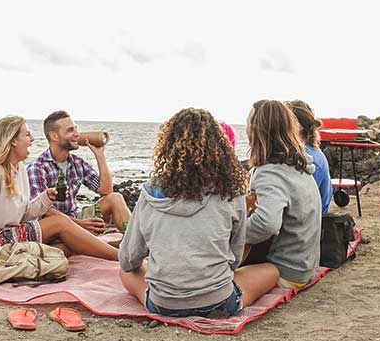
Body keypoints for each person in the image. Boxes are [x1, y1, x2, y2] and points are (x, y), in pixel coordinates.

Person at [119, 108, 279, 317]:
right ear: (219, 147)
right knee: (272, 271)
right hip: (219, 301)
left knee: (125, 272)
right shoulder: (232, 191)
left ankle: (166, 300)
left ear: (168, 146)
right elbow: (234, 258)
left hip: (163, 303)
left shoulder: (149, 192)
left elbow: (128, 259)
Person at [0, 116, 119, 271]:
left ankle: (114, 248)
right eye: (27, 135)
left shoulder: (19, 169)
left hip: (9, 235)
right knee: (59, 222)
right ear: (13, 141)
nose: (33, 139)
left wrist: (45, 198)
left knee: (64, 247)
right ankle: (119, 256)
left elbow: (23, 214)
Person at [245, 100, 322, 289]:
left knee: (217, 286)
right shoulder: (299, 165)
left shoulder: (270, 172)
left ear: (257, 131)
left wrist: (232, 234)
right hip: (306, 265)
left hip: (286, 270)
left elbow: (267, 224)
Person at [28, 110, 131, 235]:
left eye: (76, 129)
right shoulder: (37, 168)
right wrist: (80, 224)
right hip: (52, 226)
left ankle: (134, 243)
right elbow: (44, 210)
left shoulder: (77, 163)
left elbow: (106, 190)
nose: (77, 134)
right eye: (70, 130)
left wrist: (100, 155)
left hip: (75, 219)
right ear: (54, 136)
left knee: (115, 198)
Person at [285, 100, 333, 213]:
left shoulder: (307, 159)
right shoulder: (311, 151)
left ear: (298, 126)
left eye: (286, 121)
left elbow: (300, 206)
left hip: (310, 224)